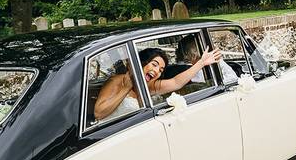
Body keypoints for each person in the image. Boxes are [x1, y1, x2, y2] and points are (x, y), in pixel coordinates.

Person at [93, 45, 222, 121]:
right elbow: (99, 113)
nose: (156, 71)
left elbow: (176, 82)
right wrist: (126, 88)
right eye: (154, 64)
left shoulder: (149, 86)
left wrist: (202, 63)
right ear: (141, 63)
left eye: (160, 70)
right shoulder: (117, 81)